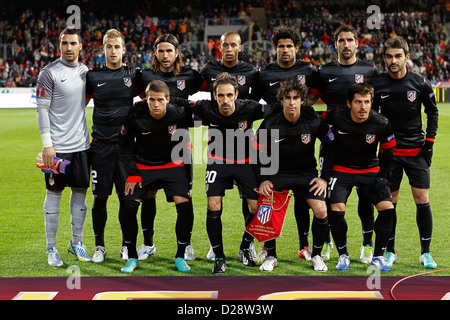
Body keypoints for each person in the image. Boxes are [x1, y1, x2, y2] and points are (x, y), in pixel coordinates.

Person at [182, 72, 273, 274]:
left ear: (236, 94)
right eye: (221, 95)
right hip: (218, 161)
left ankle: (244, 247)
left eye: (229, 95)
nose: (225, 100)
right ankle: (219, 257)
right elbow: (180, 103)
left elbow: (274, 110)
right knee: (213, 205)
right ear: (214, 95)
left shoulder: (251, 107)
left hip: (246, 161)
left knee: (257, 208)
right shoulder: (205, 108)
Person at [308, 24, 380, 264]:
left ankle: (367, 245)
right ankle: (328, 243)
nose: (346, 44)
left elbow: (374, 107)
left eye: (350, 40)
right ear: (335, 44)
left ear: (357, 43)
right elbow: (309, 101)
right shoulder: (324, 71)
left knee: (366, 198)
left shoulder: (369, 70)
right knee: (328, 195)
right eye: (342, 40)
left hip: (363, 143)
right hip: (331, 142)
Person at [372, 36, 439, 269]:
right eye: (389, 56)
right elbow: (371, 117)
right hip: (390, 153)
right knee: (390, 203)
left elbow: (433, 113)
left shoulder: (420, 83)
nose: (393, 60)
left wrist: (429, 143)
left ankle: (426, 253)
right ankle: (390, 252)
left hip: (416, 152)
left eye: (398, 56)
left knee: (422, 200)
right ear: (384, 58)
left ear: (406, 57)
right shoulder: (378, 84)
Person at [256, 78, 334, 272]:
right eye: (287, 98)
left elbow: (331, 145)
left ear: (302, 100)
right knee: (267, 206)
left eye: (296, 98)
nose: (291, 102)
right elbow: (255, 151)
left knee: (322, 211)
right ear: (281, 100)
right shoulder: (270, 122)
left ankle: (316, 255)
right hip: (277, 173)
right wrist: (263, 179)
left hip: (306, 173)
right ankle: (271, 255)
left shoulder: (313, 119)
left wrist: (323, 177)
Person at [138, 33, 204, 261]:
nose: (165, 56)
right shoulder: (144, 76)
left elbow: (213, 87)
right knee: (148, 195)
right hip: (149, 146)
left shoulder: (191, 76)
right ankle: (148, 243)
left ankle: (185, 245)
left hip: (180, 147)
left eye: (169, 51)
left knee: (185, 197)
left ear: (177, 53)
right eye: (161, 51)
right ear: (155, 52)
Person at [253, 25, 317, 262]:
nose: (285, 50)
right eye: (281, 46)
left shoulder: (308, 70)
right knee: (265, 197)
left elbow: (319, 94)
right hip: (272, 139)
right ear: (275, 49)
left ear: (297, 48)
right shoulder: (265, 74)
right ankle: (264, 247)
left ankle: (305, 245)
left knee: (302, 198)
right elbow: (254, 100)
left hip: (300, 136)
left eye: (290, 46)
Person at [118, 80, 194, 273]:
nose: (156, 104)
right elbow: (124, 145)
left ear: (167, 99)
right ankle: (132, 257)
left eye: (160, 100)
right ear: (146, 98)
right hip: (143, 165)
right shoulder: (136, 112)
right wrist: (132, 174)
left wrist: (189, 180)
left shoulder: (179, 113)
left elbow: (186, 146)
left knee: (185, 205)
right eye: (152, 99)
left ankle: (180, 255)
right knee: (128, 205)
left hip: (172, 165)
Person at [323, 83, 396, 272]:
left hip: (370, 170)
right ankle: (343, 255)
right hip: (342, 169)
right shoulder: (336, 115)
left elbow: (388, 152)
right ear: (349, 103)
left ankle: (378, 257)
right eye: (358, 102)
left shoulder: (382, 123)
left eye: (366, 102)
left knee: (387, 209)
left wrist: (383, 177)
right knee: (336, 209)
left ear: (372, 103)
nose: (363, 107)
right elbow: (312, 117)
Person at [200, 31, 258, 261]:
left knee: (253, 206)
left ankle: (247, 245)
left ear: (240, 47)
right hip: (218, 154)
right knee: (214, 204)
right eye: (226, 45)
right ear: (220, 47)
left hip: (245, 152)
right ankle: (216, 248)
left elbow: (266, 104)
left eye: (234, 45)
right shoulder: (208, 70)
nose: (230, 49)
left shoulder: (251, 72)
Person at [85, 29, 142, 263]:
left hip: (126, 149)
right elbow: (78, 106)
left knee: (127, 200)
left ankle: (127, 246)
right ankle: (99, 246)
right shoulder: (92, 76)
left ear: (124, 49)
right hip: (100, 148)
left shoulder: (133, 75)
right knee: (100, 197)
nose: (113, 51)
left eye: (117, 47)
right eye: (109, 47)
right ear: (103, 49)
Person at [36, 27, 91, 266]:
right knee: (54, 194)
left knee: (80, 192)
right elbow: (41, 110)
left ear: (81, 46)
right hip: (57, 148)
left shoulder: (85, 72)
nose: (69, 48)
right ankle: (51, 248)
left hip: (82, 146)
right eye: (65, 43)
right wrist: (47, 145)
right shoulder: (48, 73)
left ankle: (76, 242)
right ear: (59, 45)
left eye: (73, 43)